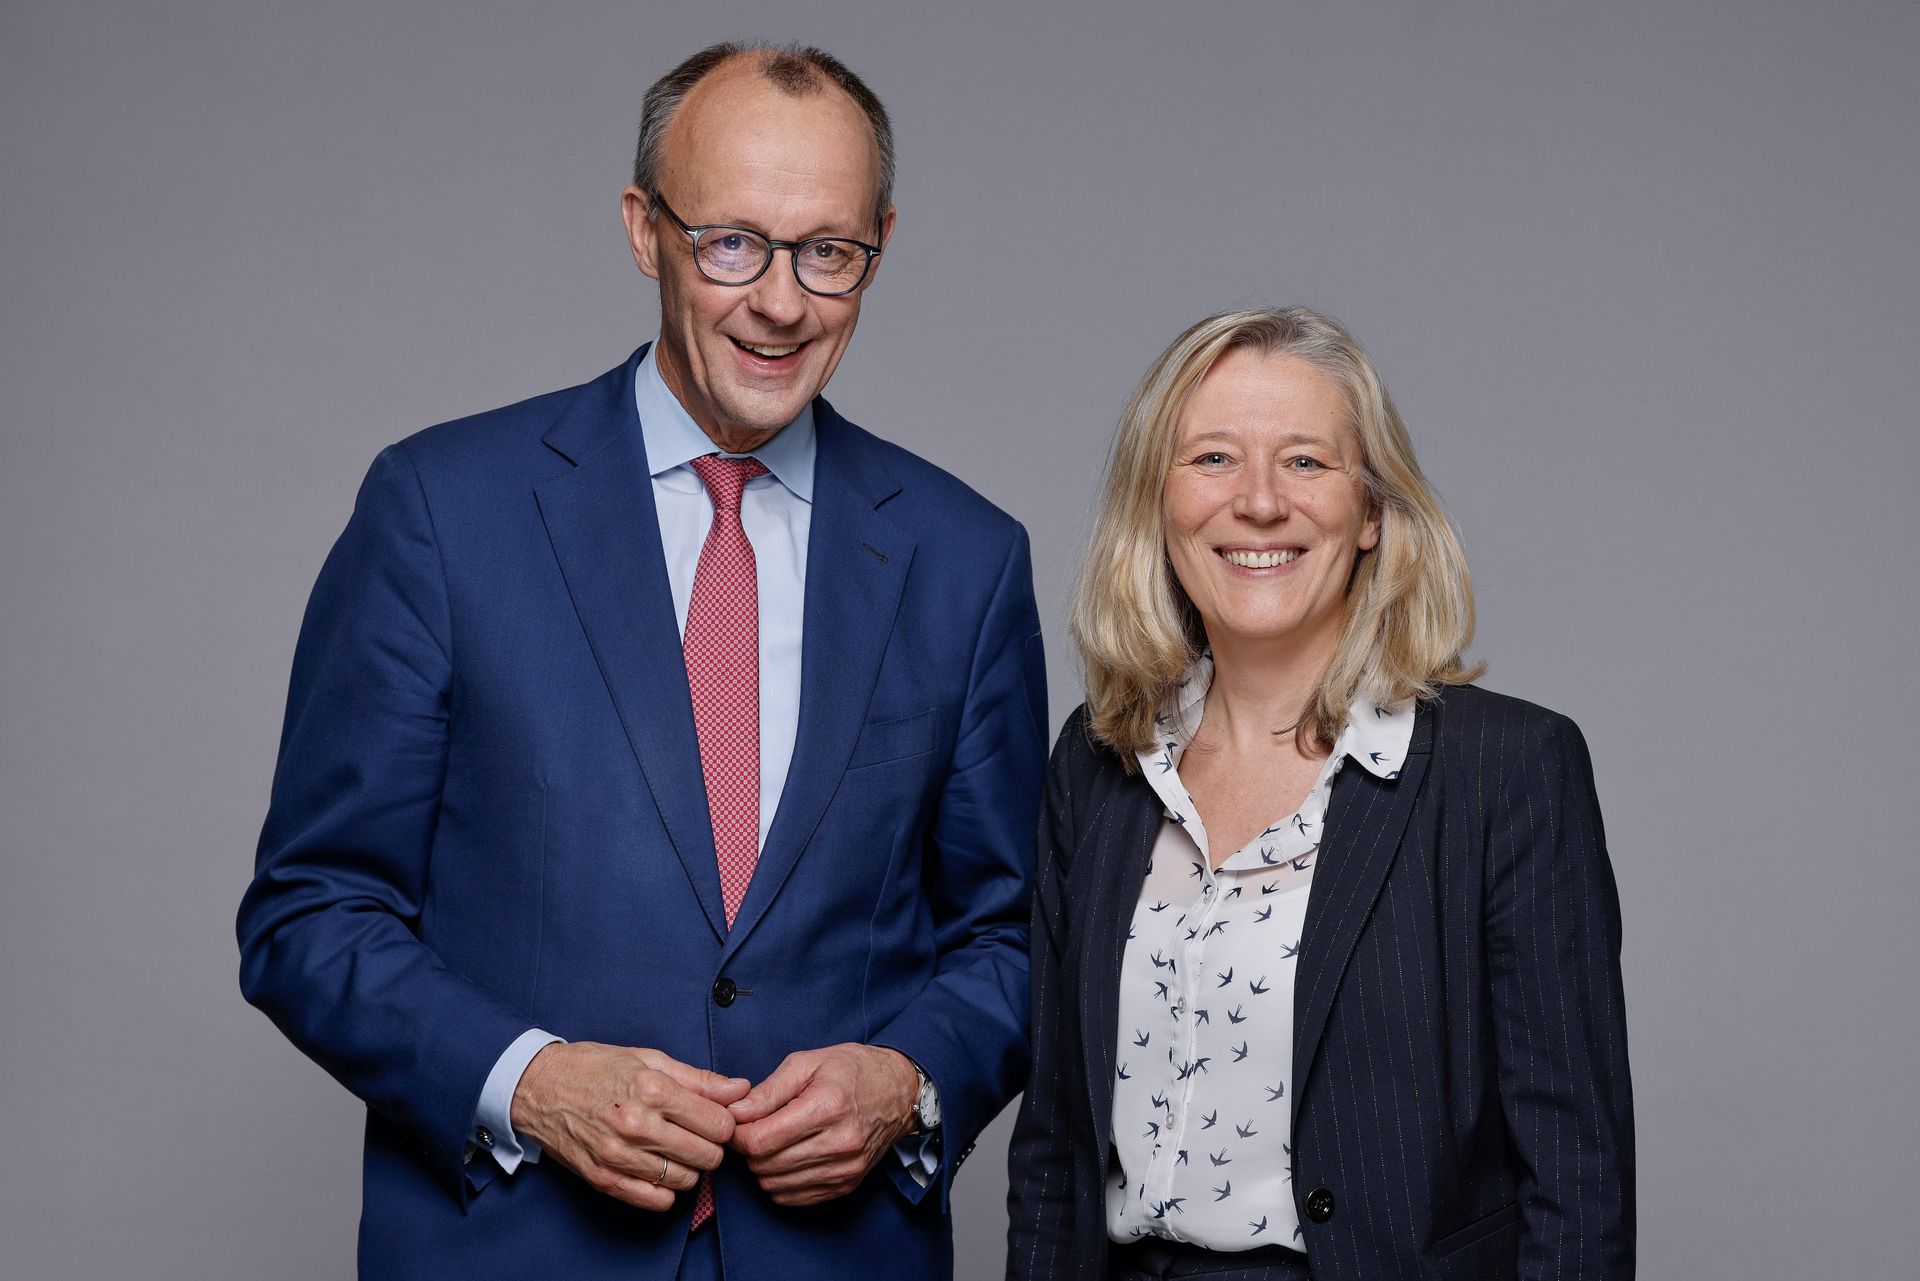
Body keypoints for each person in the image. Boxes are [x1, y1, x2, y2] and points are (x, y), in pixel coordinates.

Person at [238, 42, 1046, 1281]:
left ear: (880, 245)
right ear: (643, 230)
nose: (780, 302)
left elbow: (1014, 937)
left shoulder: (966, 558)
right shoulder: (442, 511)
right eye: (732, 243)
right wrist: (528, 1082)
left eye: (827, 252)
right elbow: (311, 911)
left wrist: (910, 1077)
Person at [1006, 307, 1634, 1281]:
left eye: (1305, 461)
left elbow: (1577, 1177)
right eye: (1213, 459)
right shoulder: (1097, 763)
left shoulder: (1507, 772)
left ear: (1372, 511)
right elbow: (1053, 1140)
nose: (1259, 502)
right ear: (1156, 502)